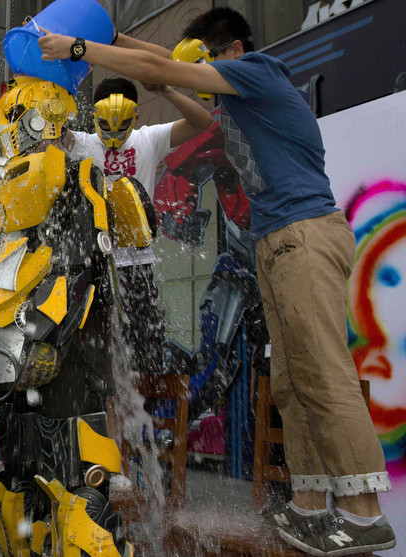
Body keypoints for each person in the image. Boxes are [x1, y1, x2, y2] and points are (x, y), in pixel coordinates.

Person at [39, 8, 396, 555]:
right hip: (276, 244)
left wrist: (79, 51)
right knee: (292, 380)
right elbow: (165, 69)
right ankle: (308, 504)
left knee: (323, 370)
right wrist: (111, 37)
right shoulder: (240, 107)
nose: (197, 73)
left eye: (202, 60)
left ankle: (365, 513)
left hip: (303, 235)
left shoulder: (256, 70)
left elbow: (173, 71)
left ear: (225, 51)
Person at [68, 76, 212, 374]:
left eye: (122, 124)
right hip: (94, 259)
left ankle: (143, 408)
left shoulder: (148, 138)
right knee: (93, 349)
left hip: (137, 260)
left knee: (143, 347)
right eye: (106, 123)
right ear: (95, 115)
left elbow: (202, 121)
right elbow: (47, 133)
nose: (114, 133)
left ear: (135, 115)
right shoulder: (82, 143)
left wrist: (167, 87)